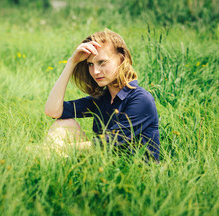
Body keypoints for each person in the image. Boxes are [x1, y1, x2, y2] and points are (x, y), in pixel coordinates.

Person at [44, 29, 160, 161]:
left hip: (135, 175)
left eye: (102, 62)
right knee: (64, 124)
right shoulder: (101, 99)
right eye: (90, 64)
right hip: (103, 169)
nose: (95, 71)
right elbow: (53, 111)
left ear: (122, 58)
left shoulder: (141, 99)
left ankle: (46, 158)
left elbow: (113, 142)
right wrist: (71, 62)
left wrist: (63, 147)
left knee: (49, 150)